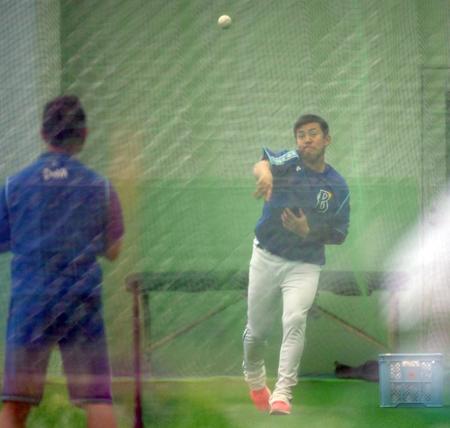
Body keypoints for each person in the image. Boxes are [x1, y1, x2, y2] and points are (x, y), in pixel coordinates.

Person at [0, 95, 124, 428]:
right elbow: (114, 250)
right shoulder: (100, 187)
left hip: (31, 303)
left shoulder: (13, 186)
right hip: (80, 302)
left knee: (14, 404)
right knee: (96, 400)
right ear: (83, 135)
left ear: (43, 133)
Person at [243, 114, 350, 415]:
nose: (306, 139)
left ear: (327, 139)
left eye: (313, 133)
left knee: (294, 319)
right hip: (265, 257)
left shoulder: (337, 186)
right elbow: (262, 162)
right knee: (257, 332)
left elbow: (340, 234)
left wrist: (307, 231)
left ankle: (282, 393)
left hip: (305, 265)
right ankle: (254, 379)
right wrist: (265, 174)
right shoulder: (289, 162)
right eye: (301, 135)